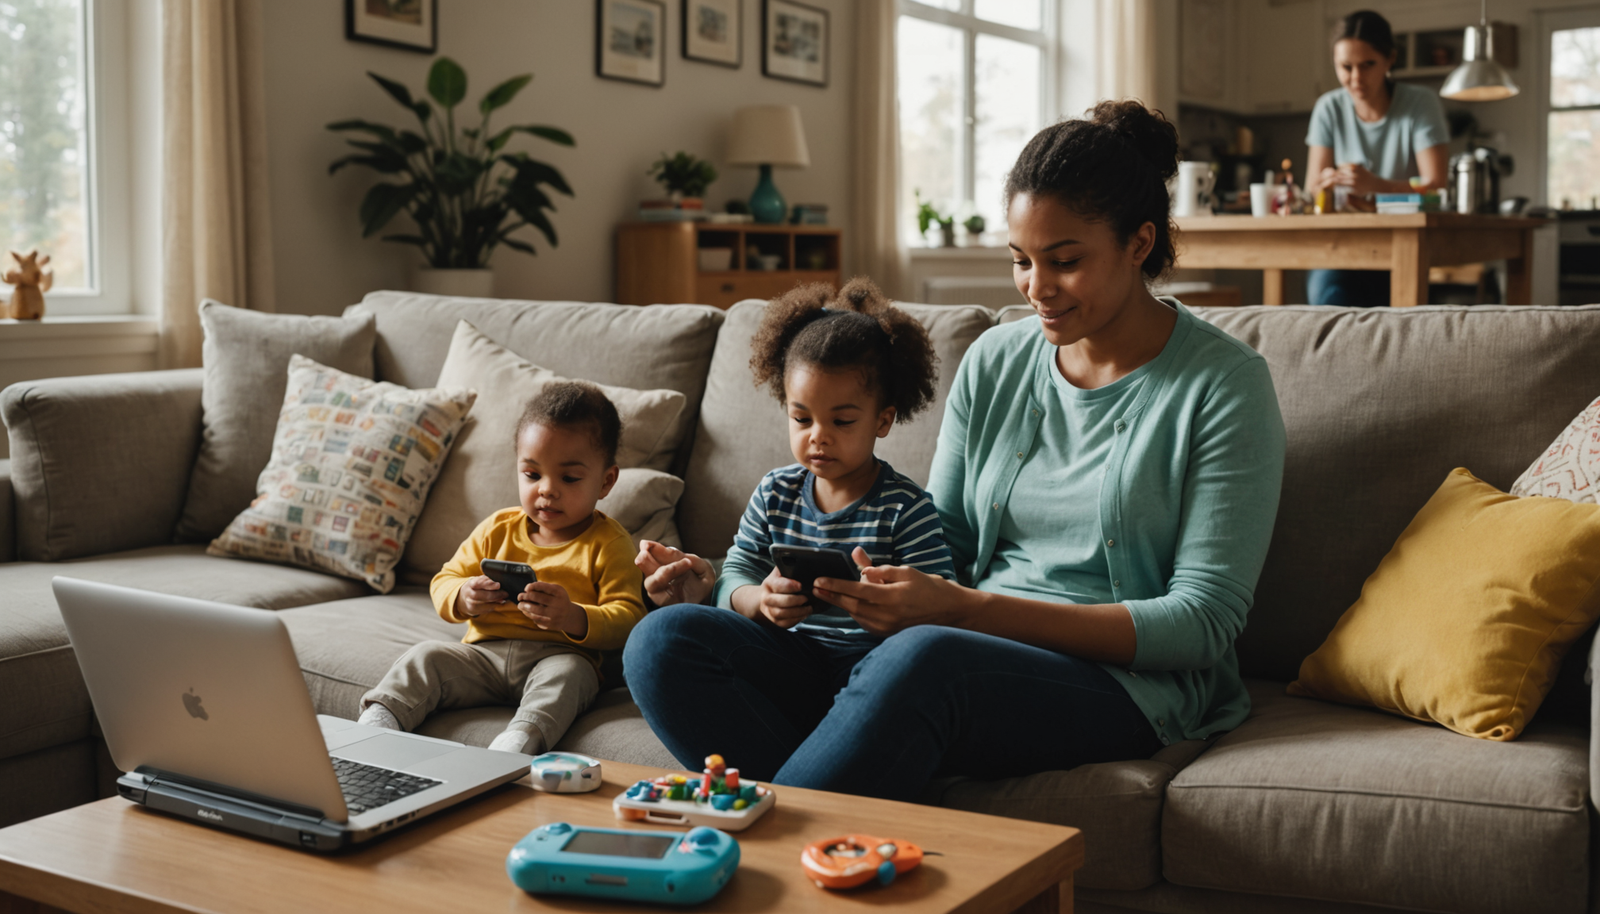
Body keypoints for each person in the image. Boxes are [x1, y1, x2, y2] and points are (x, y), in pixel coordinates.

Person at [629, 101, 1287, 802]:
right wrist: (748, 588)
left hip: (1114, 684)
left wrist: (966, 612)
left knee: (925, 660)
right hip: (940, 651)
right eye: (1021, 261)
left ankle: (777, 857)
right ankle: (840, 803)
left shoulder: (1225, 386)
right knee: (665, 642)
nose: (1037, 289)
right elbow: (941, 540)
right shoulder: (997, 359)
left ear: (1138, 242)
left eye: (1064, 262)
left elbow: (1202, 624)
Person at [624, 279, 957, 783]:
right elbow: (735, 571)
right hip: (787, 666)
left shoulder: (906, 508)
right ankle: (802, 781)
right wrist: (758, 600)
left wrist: (885, 607)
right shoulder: (776, 491)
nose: (817, 436)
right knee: (657, 638)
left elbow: (939, 618)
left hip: (872, 680)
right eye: (801, 418)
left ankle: (798, 788)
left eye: (842, 421)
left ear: (883, 420)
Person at [357, 382, 645, 755]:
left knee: (570, 676)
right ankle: (380, 719)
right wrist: (464, 595)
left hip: (556, 657)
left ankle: (518, 741)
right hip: (483, 657)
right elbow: (445, 579)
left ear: (606, 481)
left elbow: (629, 618)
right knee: (426, 655)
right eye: (532, 474)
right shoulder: (497, 527)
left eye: (569, 478)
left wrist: (573, 616)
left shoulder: (610, 544)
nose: (547, 490)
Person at [1306, 9, 1451, 306]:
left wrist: (1376, 185)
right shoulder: (1328, 108)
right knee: (1327, 303)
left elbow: (1436, 186)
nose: (1355, 78)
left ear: (1390, 60)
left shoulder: (1420, 104)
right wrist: (1326, 185)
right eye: (1346, 67)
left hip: (1405, 245)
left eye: (1368, 65)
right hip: (1342, 246)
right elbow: (1312, 188)